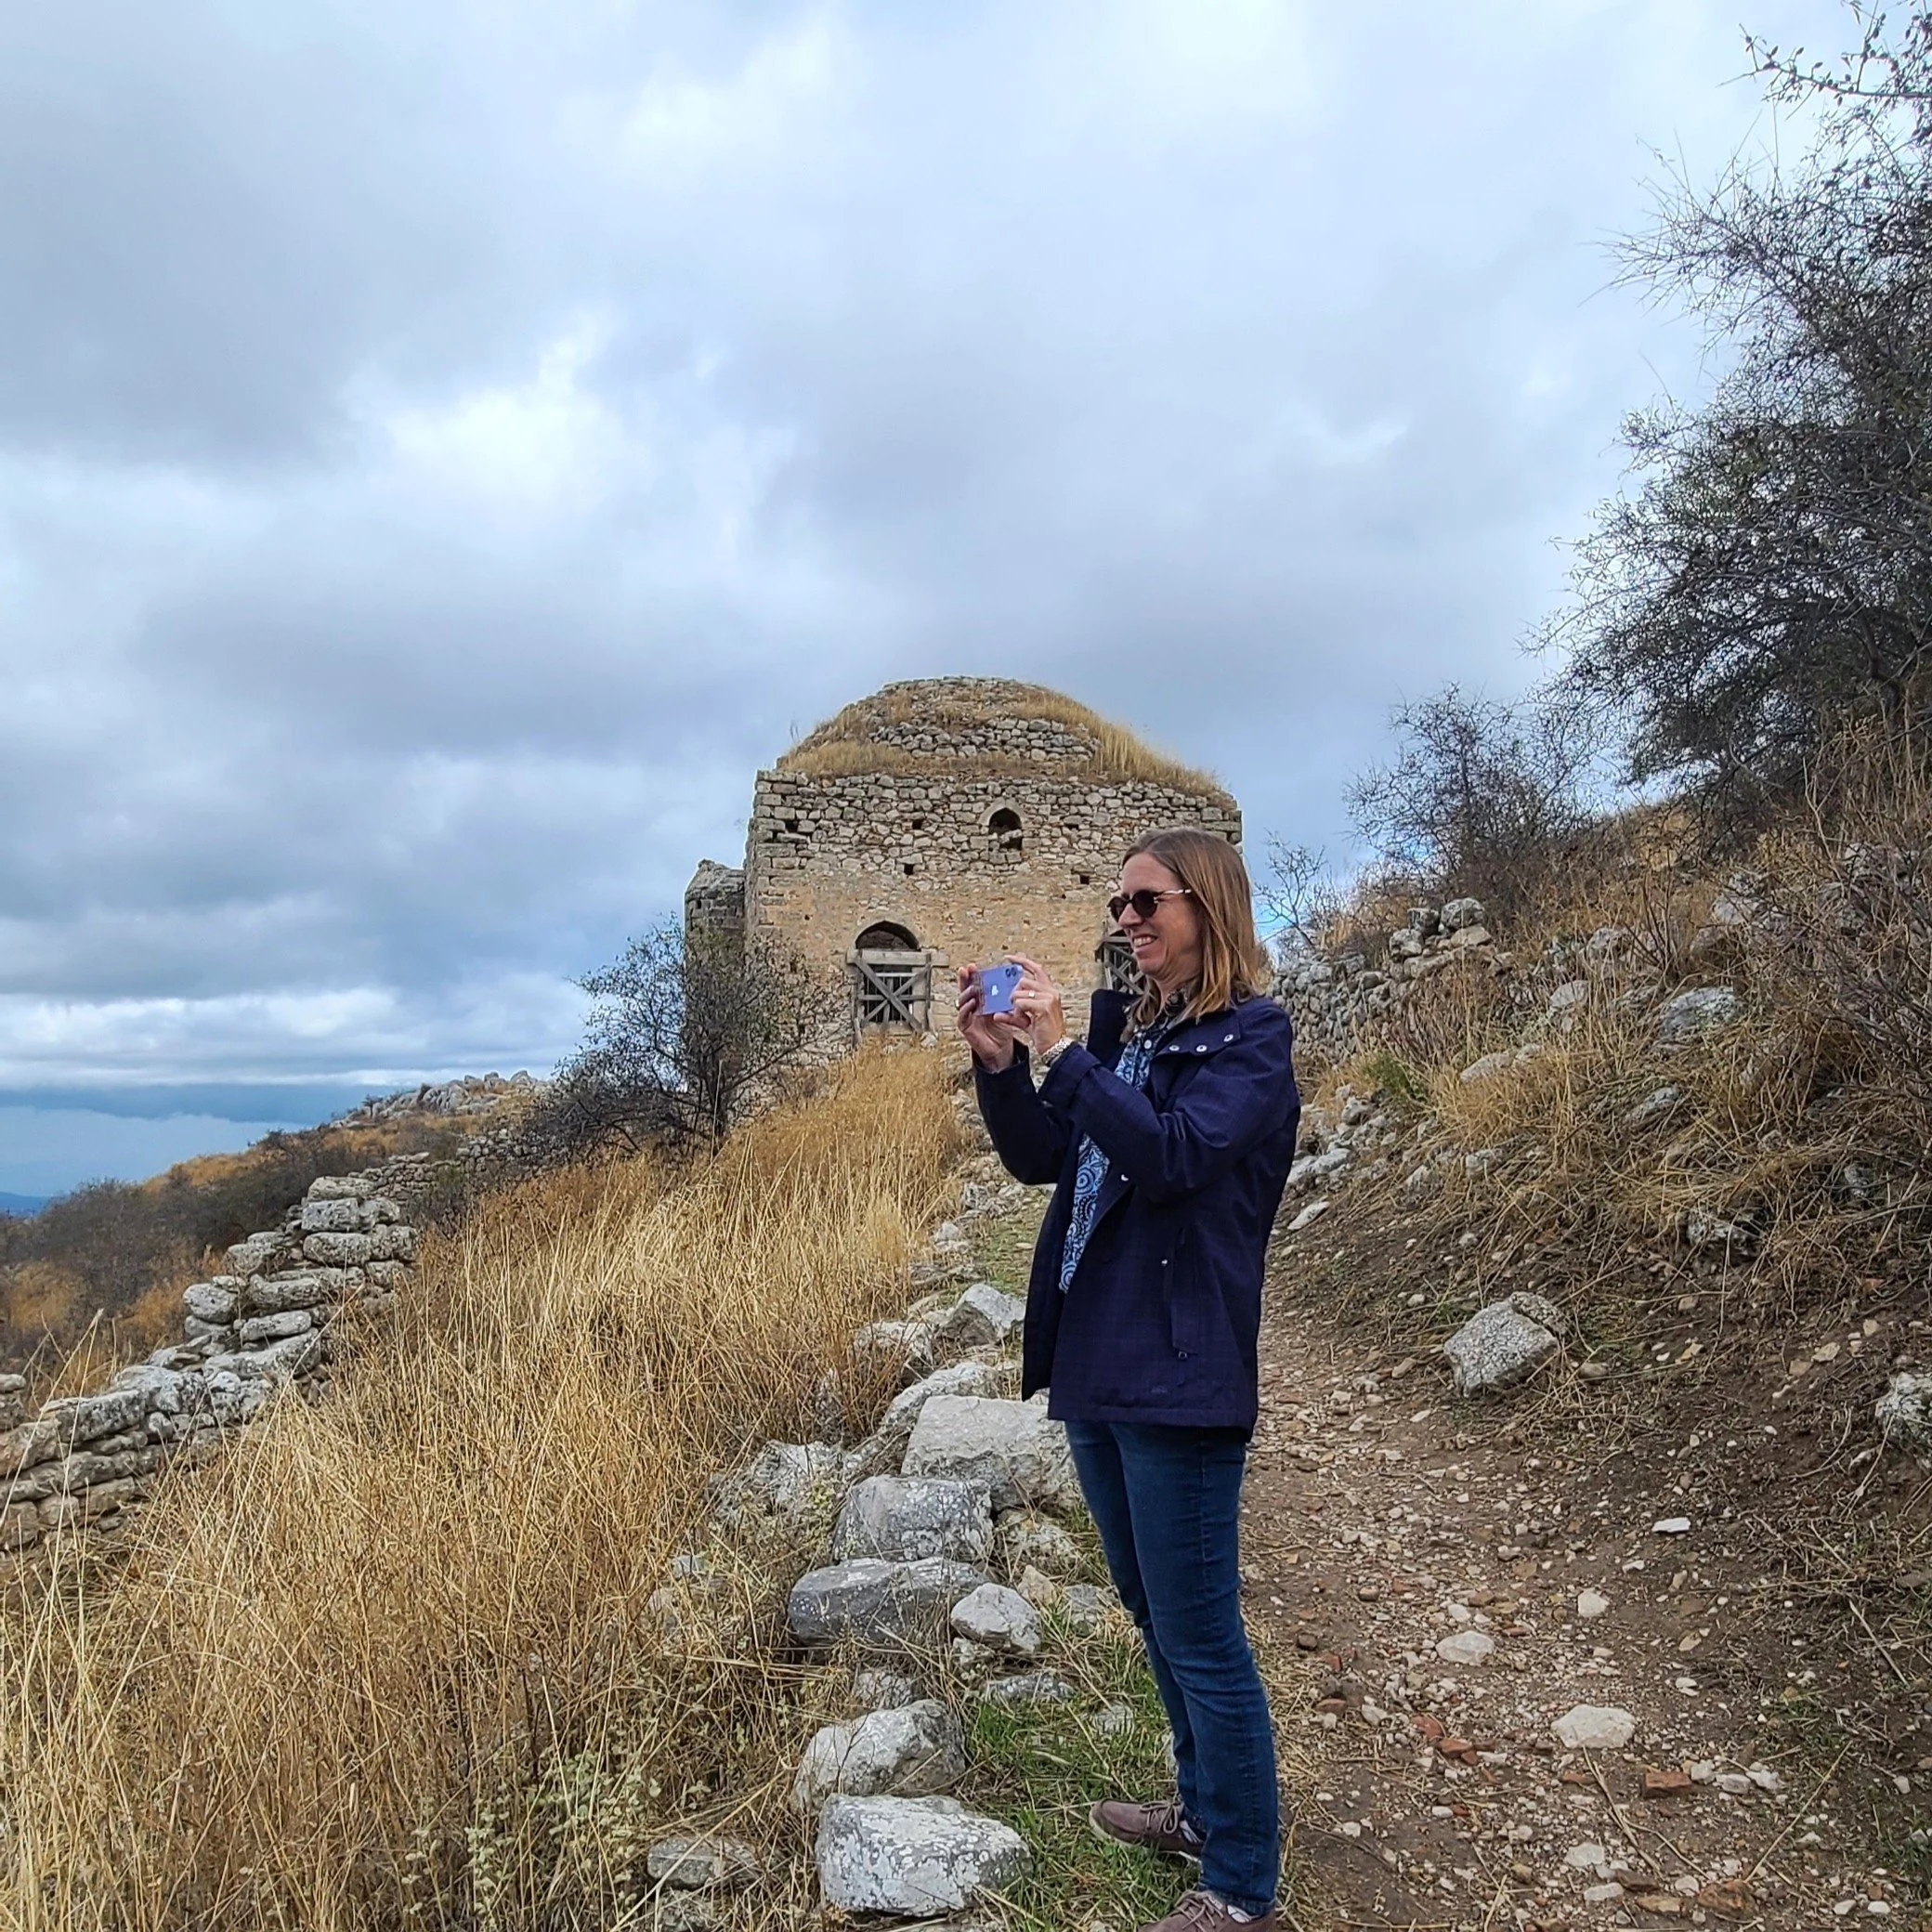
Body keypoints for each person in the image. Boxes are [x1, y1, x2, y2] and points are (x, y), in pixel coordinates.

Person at [957, 827, 1300, 1932]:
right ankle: (1203, 1813)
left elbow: (1172, 1159)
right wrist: (1003, 1067)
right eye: (1120, 906)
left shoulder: (1251, 1042)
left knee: (1202, 1630)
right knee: (1155, 1612)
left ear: (1207, 905)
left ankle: (1241, 1887)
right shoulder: (1134, 1037)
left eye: (1149, 903)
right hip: (1103, 1356)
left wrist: (1066, 1057)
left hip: (1183, 1368)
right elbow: (1040, 1159)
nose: (1128, 921)